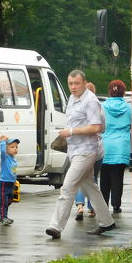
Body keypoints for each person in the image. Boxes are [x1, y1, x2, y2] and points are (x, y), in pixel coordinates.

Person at [45, 70, 115, 239]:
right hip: (75, 150)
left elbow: (97, 127)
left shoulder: (90, 101)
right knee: (90, 186)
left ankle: (56, 226)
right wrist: (69, 133)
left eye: (77, 83)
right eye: (70, 83)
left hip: (86, 151)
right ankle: (107, 222)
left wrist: (71, 131)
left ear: (84, 83)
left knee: (67, 187)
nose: (73, 87)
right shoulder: (72, 98)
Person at [100, 80, 131, 213]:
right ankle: (116, 205)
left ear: (109, 91)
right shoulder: (128, 108)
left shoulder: (102, 106)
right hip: (122, 146)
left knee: (104, 177)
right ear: (123, 92)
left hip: (105, 145)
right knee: (118, 177)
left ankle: (103, 204)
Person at [74, 82, 102, 220]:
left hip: (79, 149)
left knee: (79, 179)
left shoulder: (76, 107)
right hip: (95, 151)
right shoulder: (98, 106)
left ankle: (80, 206)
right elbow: (103, 127)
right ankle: (92, 208)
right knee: (93, 179)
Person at [0, 135, 19, 226]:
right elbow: (2, 151)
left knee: (10, 199)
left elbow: (13, 171)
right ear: (6, 149)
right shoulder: (5, 157)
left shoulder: (14, 159)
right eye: (12, 147)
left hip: (11, 184)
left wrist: (15, 181)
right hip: (4, 183)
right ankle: (3, 218)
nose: (15, 149)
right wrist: (2, 142)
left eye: (16, 147)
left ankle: (5, 215)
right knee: (4, 202)